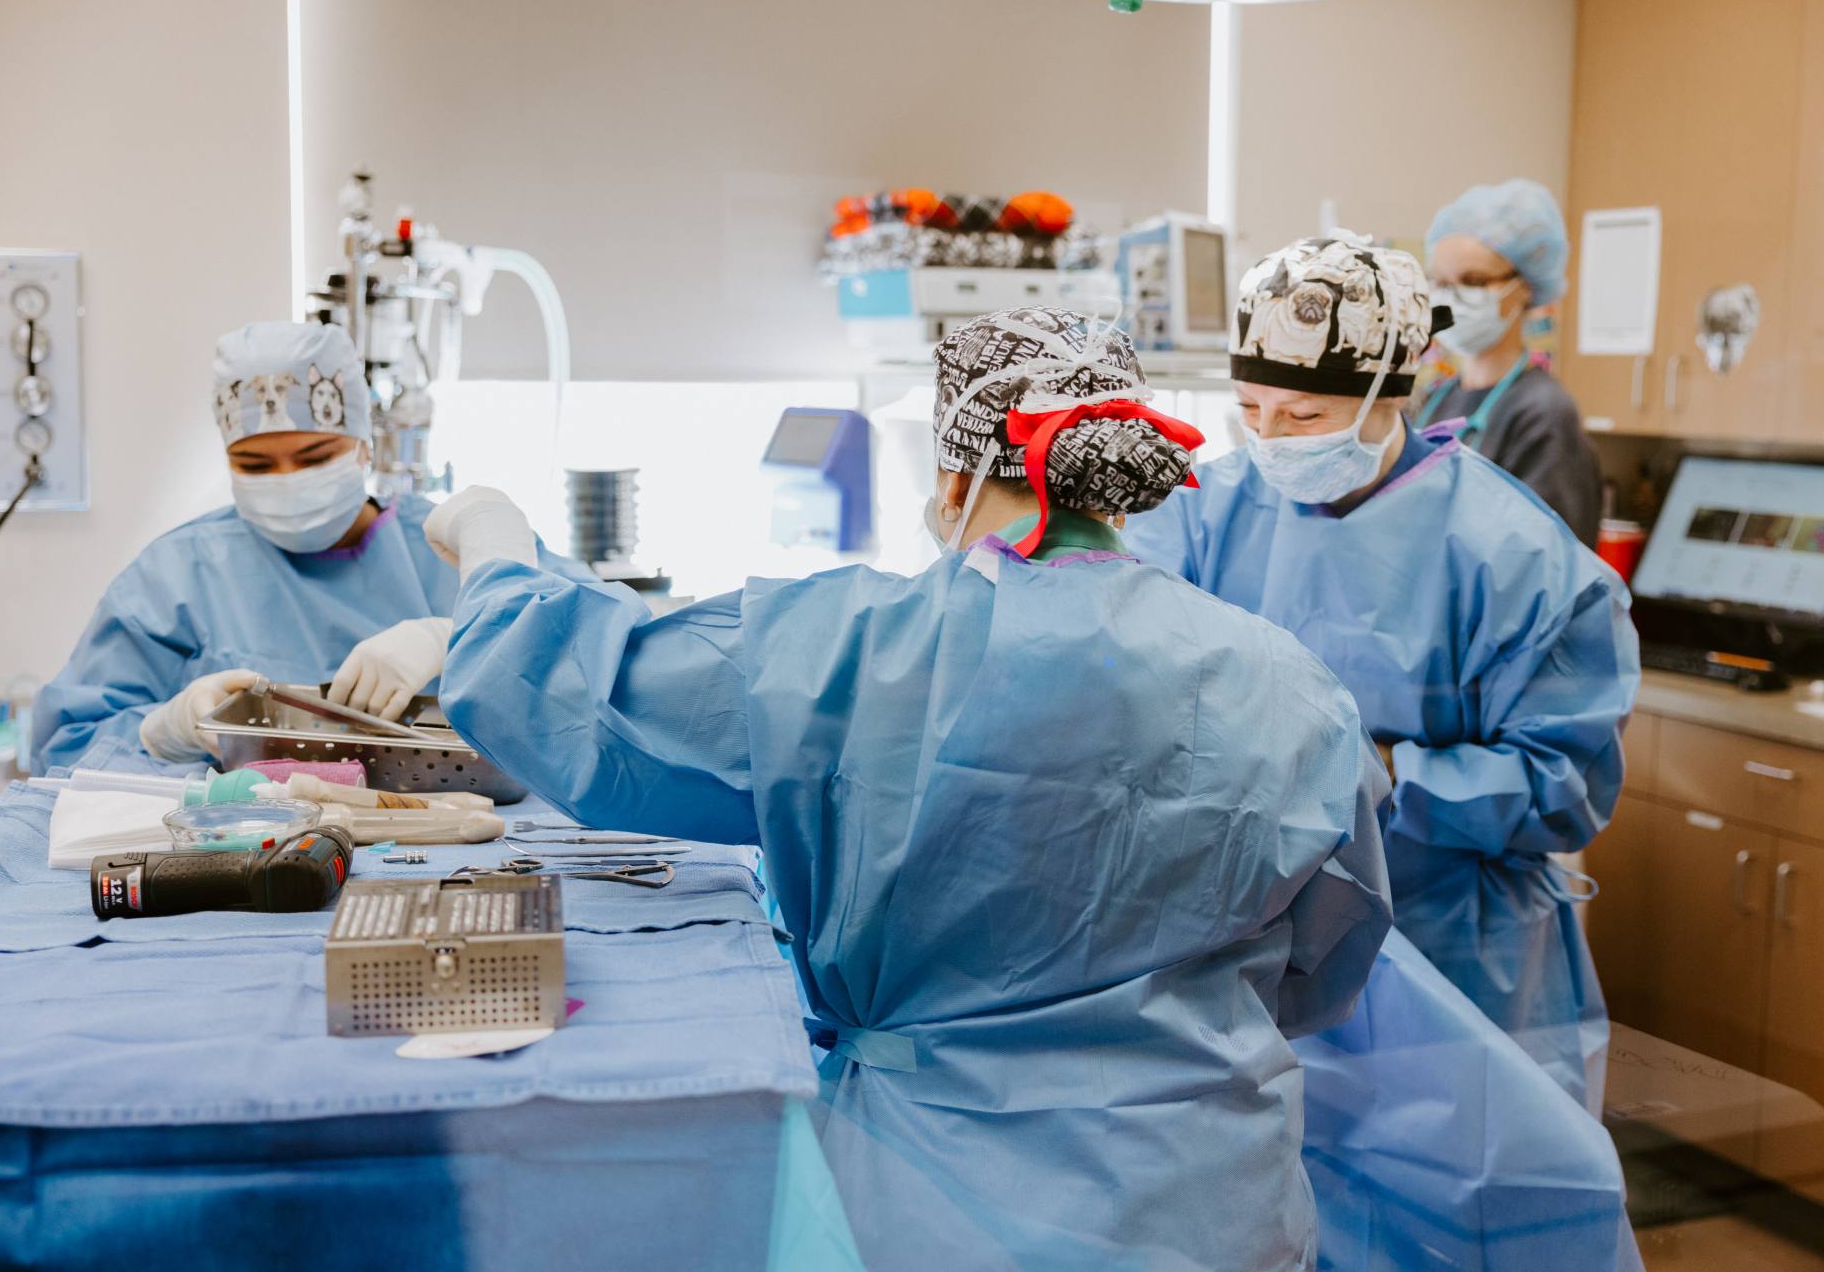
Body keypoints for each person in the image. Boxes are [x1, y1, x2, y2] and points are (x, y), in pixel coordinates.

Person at [427, 307, 1394, 1271]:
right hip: (1211, 1200)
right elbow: (1324, 963)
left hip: (945, 1201)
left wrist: (497, 548)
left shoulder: (848, 647)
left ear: (953, 475)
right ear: (1120, 474)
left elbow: (573, 694)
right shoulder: (1290, 681)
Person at [1121, 233, 1640, 1111]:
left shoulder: (1513, 555)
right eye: (1251, 410)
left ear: (1385, 395)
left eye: (1304, 417)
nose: (1271, 440)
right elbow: (1131, 658)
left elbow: (1567, 781)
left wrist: (1388, 774)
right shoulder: (1211, 512)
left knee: (1453, 1217)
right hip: (1254, 947)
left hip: (1449, 955)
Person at [31, 321, 587, 772]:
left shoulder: (456, 548)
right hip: (243, 860)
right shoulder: (175, 576)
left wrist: (463, 634)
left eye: (316, 457)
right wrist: (165, 730)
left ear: (365, 449)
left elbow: (613, 655)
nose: (288, 480)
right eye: (254, 464)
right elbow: (63, 749)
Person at [1419, 179, 1602, 546]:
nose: (1451, 297)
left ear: (1525, 288)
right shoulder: (1433, 399)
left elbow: (1549, 563)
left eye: (1473, 281)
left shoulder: (1543, 414)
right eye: (1440, 282)